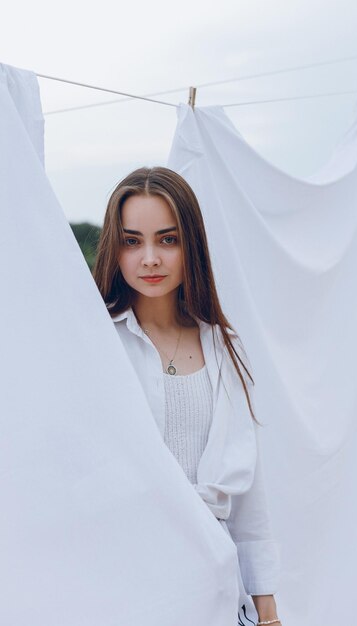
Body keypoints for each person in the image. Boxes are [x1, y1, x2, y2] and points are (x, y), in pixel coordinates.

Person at [93, 166, 282, 626]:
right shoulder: (97, 344)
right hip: (125, 582)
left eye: (168, 239)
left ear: (190, 244)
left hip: (214, 583)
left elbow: (248, 500)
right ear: (114, 248)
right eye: (132, 241)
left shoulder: (227, 349)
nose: (151, 258)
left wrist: (269, 613)